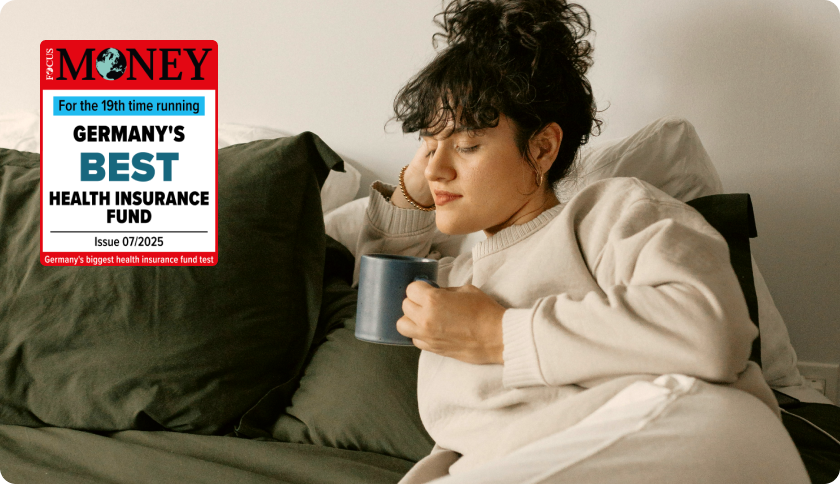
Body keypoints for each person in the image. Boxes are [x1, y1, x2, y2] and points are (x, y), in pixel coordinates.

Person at [352, 1, 810, 482]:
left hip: (657, 441)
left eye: (467, 145)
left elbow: (711, 333)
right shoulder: (451, 284)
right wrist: (414, 185)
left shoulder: (611, 213)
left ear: (542, 147)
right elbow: (375, 296)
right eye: (428, 144)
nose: (436, 168)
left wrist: (498, 334)